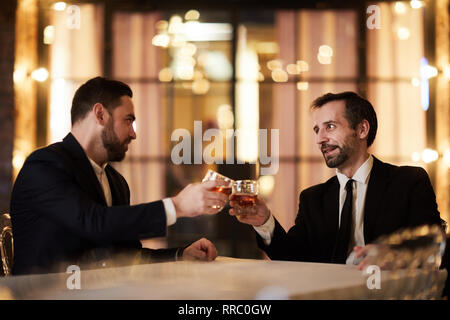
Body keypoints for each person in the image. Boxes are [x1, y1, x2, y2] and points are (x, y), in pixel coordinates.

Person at [10, 77, 229, 275]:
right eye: (128, 120)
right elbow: (93, 223)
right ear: (100, 114)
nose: (133, 133)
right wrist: (177, 206)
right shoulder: (44, 165)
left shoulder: (116, 182)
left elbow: (125, 257)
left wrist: (180, 255)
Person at [229, 91, 444, 267]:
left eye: (330, 126)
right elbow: (293, 258)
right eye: (317, 130)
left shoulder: (408, 182)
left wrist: (390, 256)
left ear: (362, 129)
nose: (320, 139)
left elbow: (434, 245)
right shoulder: (312, 198)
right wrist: (265, 222)